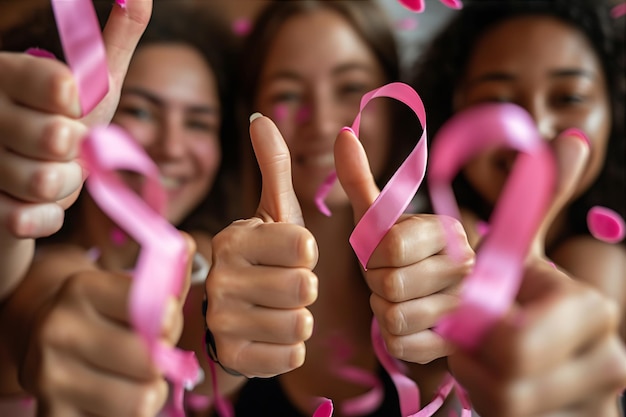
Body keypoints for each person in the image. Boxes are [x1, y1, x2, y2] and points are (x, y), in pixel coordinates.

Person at [203, 0, 626, 416]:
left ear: (395, 113)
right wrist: (214, 337)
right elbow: (182, 347)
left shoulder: (453, 256)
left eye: (350, 87)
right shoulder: (212, 260)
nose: (323, 119)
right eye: (289, 92)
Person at [0, 1, 242, 416]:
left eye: (198, 122)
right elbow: (43, 300)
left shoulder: (210, 254)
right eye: (141, 110)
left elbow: (202, 306)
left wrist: (237, 324)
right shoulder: (28, 266)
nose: (170, 147)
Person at [407, 0, 626, 415]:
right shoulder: (421, 251)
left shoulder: (604, 267)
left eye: (568, 97)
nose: (535, 127)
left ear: (613, 110)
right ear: (455, 107)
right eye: (500, 99)